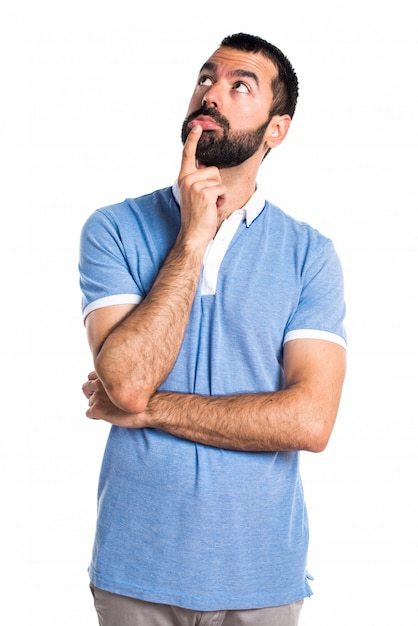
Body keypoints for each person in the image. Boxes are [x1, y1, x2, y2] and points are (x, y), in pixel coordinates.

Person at [80, 32, 347, 626]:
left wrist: (152, 409)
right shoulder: (114, 229)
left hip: (261, 578)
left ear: (276, 130)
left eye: (239, 86)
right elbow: (125, 383)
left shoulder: (309, 254)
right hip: (135, 573)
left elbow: (310, 420)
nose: (212, 93)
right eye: (206, 78)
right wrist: (194, 238)